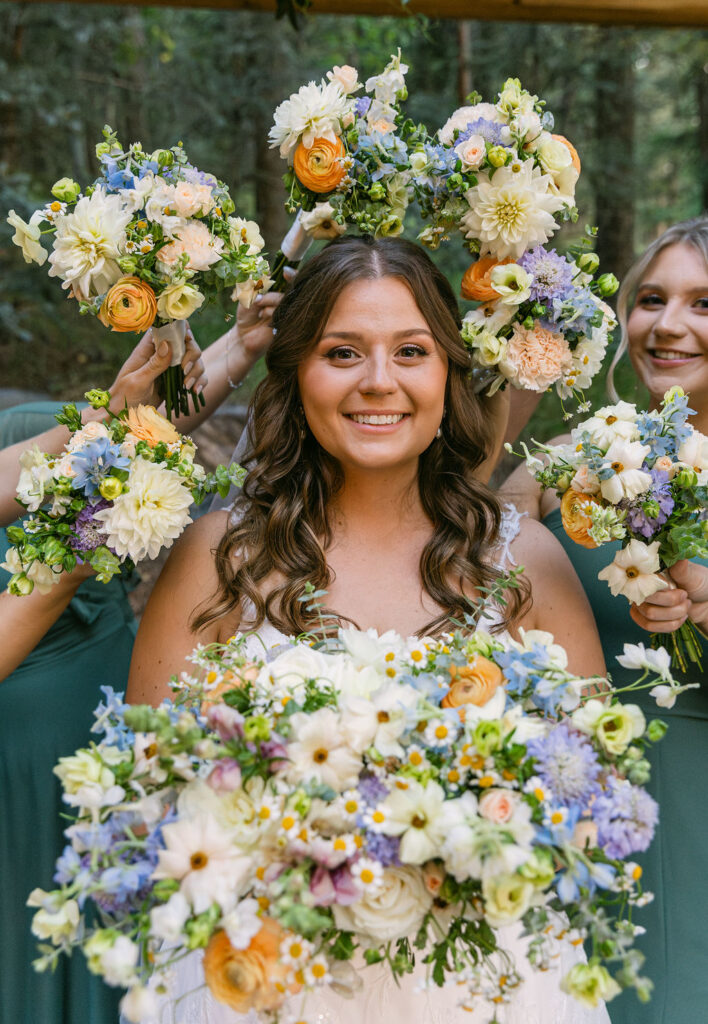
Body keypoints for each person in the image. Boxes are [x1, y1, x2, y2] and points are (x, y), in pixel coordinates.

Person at [128, 236, 612, 1024]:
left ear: (450, 371)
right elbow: (148, 808)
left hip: (482, 985)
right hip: (269, 981)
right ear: (297, 372)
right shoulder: (219, 560)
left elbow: (593, 801)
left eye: (411, 351)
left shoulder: (527, 565)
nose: (379, 382)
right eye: (343, 352)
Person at [0, 294, 280, 1024]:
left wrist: (235, 351)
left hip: (104, 755)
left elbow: (120, 435)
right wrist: (78, 542)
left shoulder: (26, 435)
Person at [501, 216, 708, 1024]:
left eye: (703, 303)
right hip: (564, 797)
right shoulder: (564, 463)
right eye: (651, 299)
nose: (668, 324)